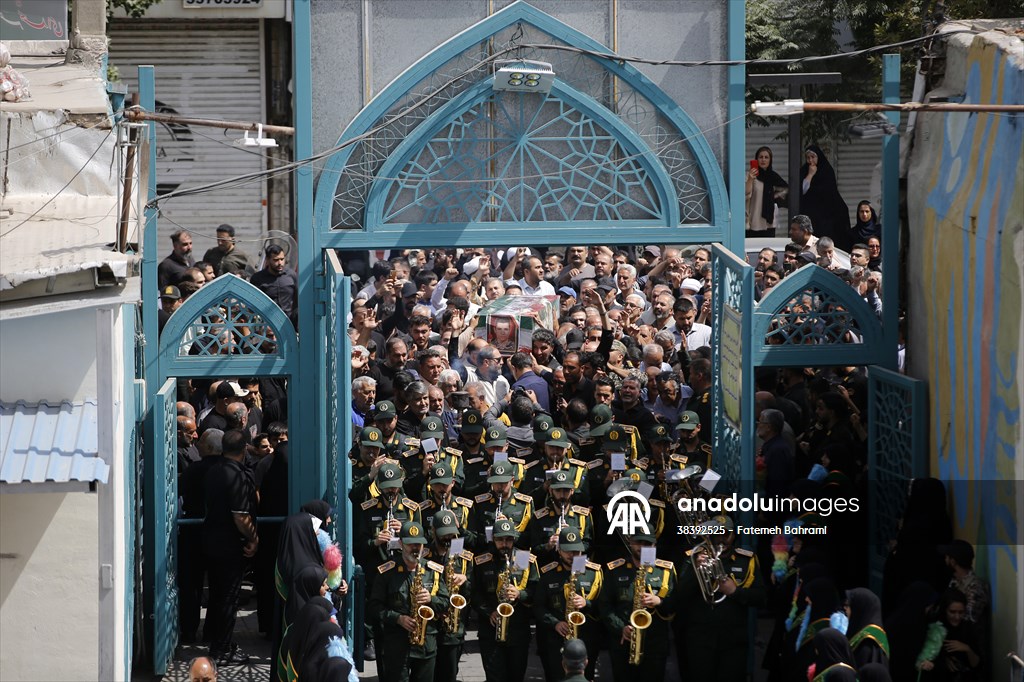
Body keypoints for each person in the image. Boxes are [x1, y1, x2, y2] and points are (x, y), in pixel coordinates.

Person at [677, 515, 766, 682]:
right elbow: (678, 595)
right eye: (716, 534)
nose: (721, 539)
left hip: (733, 640)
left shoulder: (746, 559)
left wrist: (735, 592)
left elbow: (761, 598)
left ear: (734, 536)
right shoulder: (693, 557)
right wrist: (695, 571)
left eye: (726, 534)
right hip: (700, 639)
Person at [368, 521, 450, 682]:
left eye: (418, 544)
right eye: (410, 544)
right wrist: (397, 618)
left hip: (426, 644)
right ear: (400, 543)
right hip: (397, 645)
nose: (415, 548)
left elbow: (446, 602)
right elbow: (374, 607)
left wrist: (431, 599)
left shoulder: (433, 570)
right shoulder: (387, 572)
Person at [202, 429, 257, 666]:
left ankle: (217, 641)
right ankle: (221, 649)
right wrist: (254, 538)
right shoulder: (236, 475)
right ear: (244, 448)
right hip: (229, 545)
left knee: (217, 594)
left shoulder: (214, 470)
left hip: (212, 541)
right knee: (229, 598)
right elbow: (241, 515)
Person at [598, 531, 676, 681]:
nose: (642, 547)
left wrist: (659, 601)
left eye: (647, 544)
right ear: (630, 543)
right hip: (623, 643)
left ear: (654, 545)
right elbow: (605, 606)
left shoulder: (666, 570)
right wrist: (620, 627)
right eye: (638, 542)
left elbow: (676, 604)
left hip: (655, 645)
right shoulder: (615, 570)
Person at [471, 518, 538, 682]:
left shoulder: (524, 558)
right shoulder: (482, 561)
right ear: (492, 539)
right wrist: (489, 612)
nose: (505, 544)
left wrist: (520, 594)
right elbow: (474, 593)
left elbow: (536, 591)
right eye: (500, 540)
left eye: (508, 539)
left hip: (518, 631)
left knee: (516, 676)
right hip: (490, 630)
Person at [533, 526, 603, 682]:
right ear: (559, 550)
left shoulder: (594, 573)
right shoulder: (548, 574)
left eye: (577, 551)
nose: (573, 555)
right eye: (568, 551)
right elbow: (538, 607)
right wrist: (555, 623)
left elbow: (604, 605)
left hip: (586, 639)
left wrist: (587, 603)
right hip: (557, 640)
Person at [799, 145, 851, 251]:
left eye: (813, 157)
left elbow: (830, 192)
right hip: (811, 213)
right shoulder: (804, 171)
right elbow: (802, 191)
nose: (810, 161)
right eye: (808, 158)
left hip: (827, 215)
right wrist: (810, 174)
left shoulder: (827, 171)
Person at [745, 145, 788, 237]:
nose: (763, 160)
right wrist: (750, 179)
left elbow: (786, 190)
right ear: (756, 159)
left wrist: (774, 197)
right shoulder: (751, 176)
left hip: (769, 222)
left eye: (766, 157)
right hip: (754, 221)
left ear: (770, 160)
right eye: (761, 157)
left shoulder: (773, 177)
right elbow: (746, 194)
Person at [251, 244, 299, 325]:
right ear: (267, 260)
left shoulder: (291, 275)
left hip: (289, 322)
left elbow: (297, 300)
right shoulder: (257, 278)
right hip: (267, 323)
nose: (280, 263)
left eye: (282, 259)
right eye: (276, 260)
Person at [845, 587, 890, 669]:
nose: (845, 609)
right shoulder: (861, 634)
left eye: (848, 605)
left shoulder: (868, 643)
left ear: (859, 608)